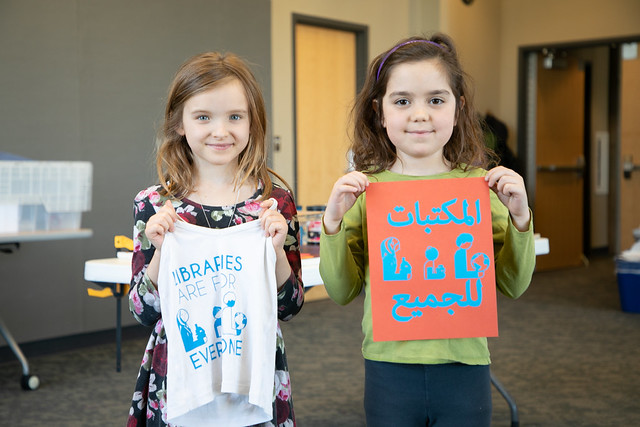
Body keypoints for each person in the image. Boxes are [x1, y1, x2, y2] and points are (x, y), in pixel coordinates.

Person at [319, 33, 536, 427]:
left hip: (464, 366)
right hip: (388, 366)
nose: (420, 114)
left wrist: (521, 219)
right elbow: (341, 290)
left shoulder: (481, 188)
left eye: (436, 100)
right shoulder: (366, 191)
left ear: (458, 109)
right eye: (402, 101)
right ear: (380, 112)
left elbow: (513, 285)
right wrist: (332, 224)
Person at [127, 52, 304, 426]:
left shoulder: (274, 202)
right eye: (203, 117)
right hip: (179, 375)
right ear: (179, 123)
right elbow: (143, 311)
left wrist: (275, 251)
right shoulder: (156, 205)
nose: (220, 131)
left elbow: (289, 306)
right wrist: (160, 252)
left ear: (253, 123)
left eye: (235, 117)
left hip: (253, 371)